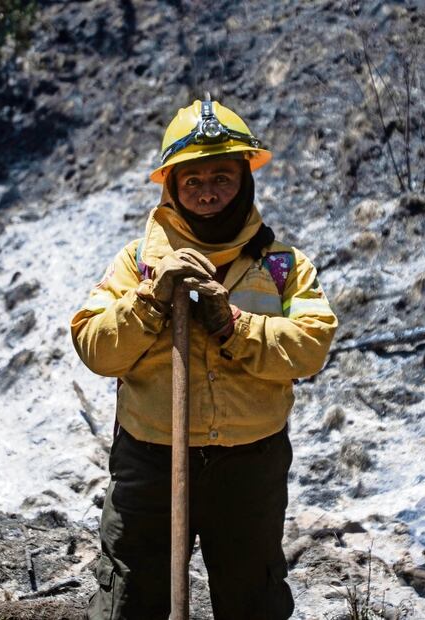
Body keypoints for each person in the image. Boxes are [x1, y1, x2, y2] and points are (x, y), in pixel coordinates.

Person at [71, 95, 338, 619]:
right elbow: (97, 350)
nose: (208, 192)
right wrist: (150, 301)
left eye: (222, 176)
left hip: (249, 463)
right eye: (193, 180)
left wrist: (232, 324)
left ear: (245, 178)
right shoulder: (136, 263)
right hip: (151, 462)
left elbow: (310, 347)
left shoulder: (282, 265)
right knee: (131, 600)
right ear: (171, 185)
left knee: (252, 600)